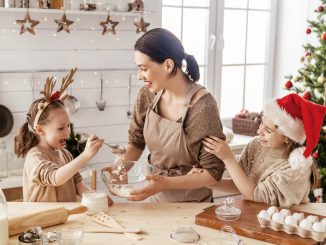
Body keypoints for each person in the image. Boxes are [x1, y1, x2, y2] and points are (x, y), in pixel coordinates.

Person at [120, 28, 225, 202]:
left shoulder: (203, 107)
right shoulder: (148, 95)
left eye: (144, 69)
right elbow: (136, 142)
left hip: (192, 205)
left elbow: (212, 173)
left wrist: (166, 183)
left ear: (168, 65)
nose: (139, 76)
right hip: (155, 197)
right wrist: (119, 170)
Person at [201, 93, 326, 207]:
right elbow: (241, 184)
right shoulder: (257, 144)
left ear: (287, 137)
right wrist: (209, 182)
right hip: (258, 218)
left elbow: (254, 194)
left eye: (268, 130)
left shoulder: (296, 169)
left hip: (286, 224)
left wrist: (228, 158)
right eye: (261, 124)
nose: (259, 131)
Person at [14, 68, 111, 204]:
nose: (67, 132)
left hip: (65, 220)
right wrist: (86, 155)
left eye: (68, 126)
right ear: (40, 130)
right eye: (60, 128)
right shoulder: (35, 157)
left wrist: (98, 198)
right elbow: (55, 177)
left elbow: (79, 186)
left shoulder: (65, 154)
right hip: (42, 223)